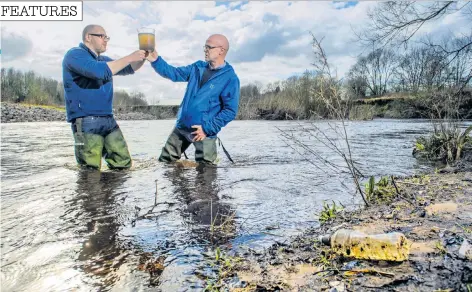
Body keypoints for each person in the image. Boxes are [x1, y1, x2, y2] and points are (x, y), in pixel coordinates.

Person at [62, 24, 147, 170]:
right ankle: (94, 193)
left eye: (106, 37)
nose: (105, 40)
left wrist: (143, 57)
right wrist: (129, 57)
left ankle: (112, 193)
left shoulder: (103, 59)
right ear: (88, 37)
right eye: (102, 36)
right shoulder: (75, 55)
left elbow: (129, 68)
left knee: (123, 164)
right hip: (86, 120)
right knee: (90, 171)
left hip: (108, 119)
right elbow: (99, 72)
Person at [146, 34, 240, 165]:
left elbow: (230, 111)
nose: (205, 50)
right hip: (182, 127)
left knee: (205, 172)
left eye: (209, 47)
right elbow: (174, 73)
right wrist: (155, 60)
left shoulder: (230, 78)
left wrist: (207, 129)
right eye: (205, 47)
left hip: (203, 132)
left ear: (221, 50)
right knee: (165, 164)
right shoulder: (197, 67)